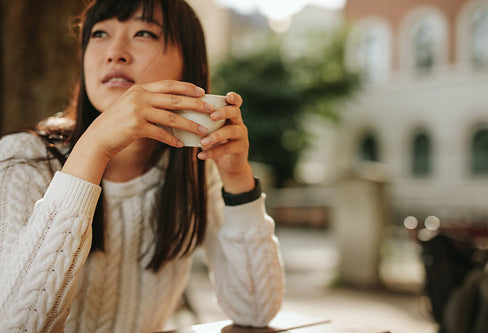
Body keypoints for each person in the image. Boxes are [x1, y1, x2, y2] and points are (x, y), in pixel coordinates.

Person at [0, 0, 285, 332]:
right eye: (100, 33)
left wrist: (237, 180)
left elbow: (256, 311)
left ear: (188, 67)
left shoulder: (195, 167)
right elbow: (16, 325)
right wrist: (93, 148)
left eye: (144, 32)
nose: (115, 52)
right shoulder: (20, 159)